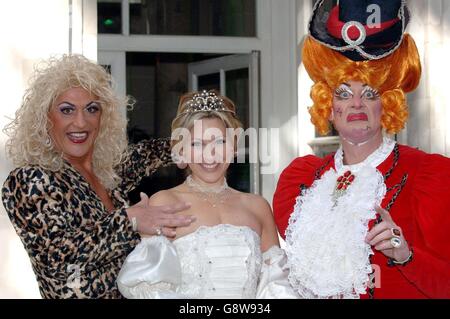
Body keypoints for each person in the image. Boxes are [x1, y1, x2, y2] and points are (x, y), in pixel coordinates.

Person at [273, 0, 450, 299]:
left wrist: (406, 255)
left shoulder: (427, 175)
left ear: (388, 105)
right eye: (343, 93)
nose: (356, 103)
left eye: (369, 94)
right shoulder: (302, 182)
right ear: (328, 107)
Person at [1, 54, 194, 298]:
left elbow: (146, 154)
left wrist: (195, 145)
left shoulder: (106, 174)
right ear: (45, 118)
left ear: (103, 118)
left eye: (91, 109)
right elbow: (60, 259)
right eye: (67, 110)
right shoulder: (31, 180)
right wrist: (131, 220)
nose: (80, 122)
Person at [116, 90, 299, 298]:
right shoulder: (165, 202)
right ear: (181, 150)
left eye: (219, 142)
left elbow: (276, 287)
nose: (210, 154)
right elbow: (151, 288)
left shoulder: (257, 206)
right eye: (196, 144)